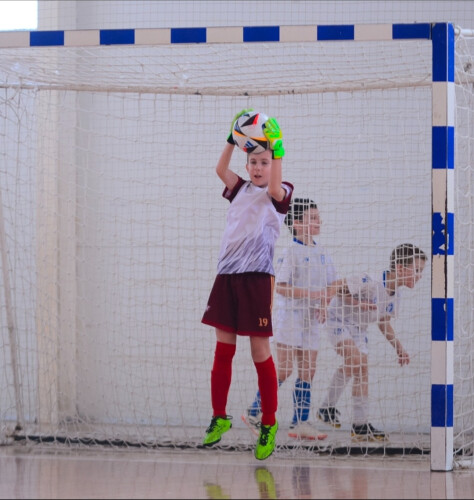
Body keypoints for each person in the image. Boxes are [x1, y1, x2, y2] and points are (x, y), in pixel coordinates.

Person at [201, 108, 293, 460]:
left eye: (264, 162)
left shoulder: (280, 192)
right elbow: (220, 170)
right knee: (223, 348)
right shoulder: (238, 188)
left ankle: (268, 422)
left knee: (259, 351)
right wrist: (231, 138)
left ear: (273, 164)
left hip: (257, 280)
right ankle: (219, 416)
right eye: (253, 161)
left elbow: (275, 186)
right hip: (227, 276)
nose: (258, 167)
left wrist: (278, 148)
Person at [243, 198, 337, 441]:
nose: (318, 221)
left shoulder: (323, 252)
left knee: (308, 370)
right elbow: (282, 287)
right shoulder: (290, 252)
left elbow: (333, 284)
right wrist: (313, 295)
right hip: (290, 317)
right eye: (312, 218)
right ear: (297, 223)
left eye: (318, 217)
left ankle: (299, 423)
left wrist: (324, 303)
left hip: (311, 319)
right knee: (284, 369)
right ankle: (254, 412)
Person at [317, 243, 427, 441]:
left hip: (359, 329)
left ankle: (359, 426)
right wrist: (325, 306)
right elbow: (335, 286)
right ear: (400, 268)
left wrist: (399, 348)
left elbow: (383, 322)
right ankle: (326, 407)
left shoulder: (396, 295)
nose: (420, 275)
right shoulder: (370, 281)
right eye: (417, 270)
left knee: (362, 369)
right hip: (338, 319)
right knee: (355, 359)